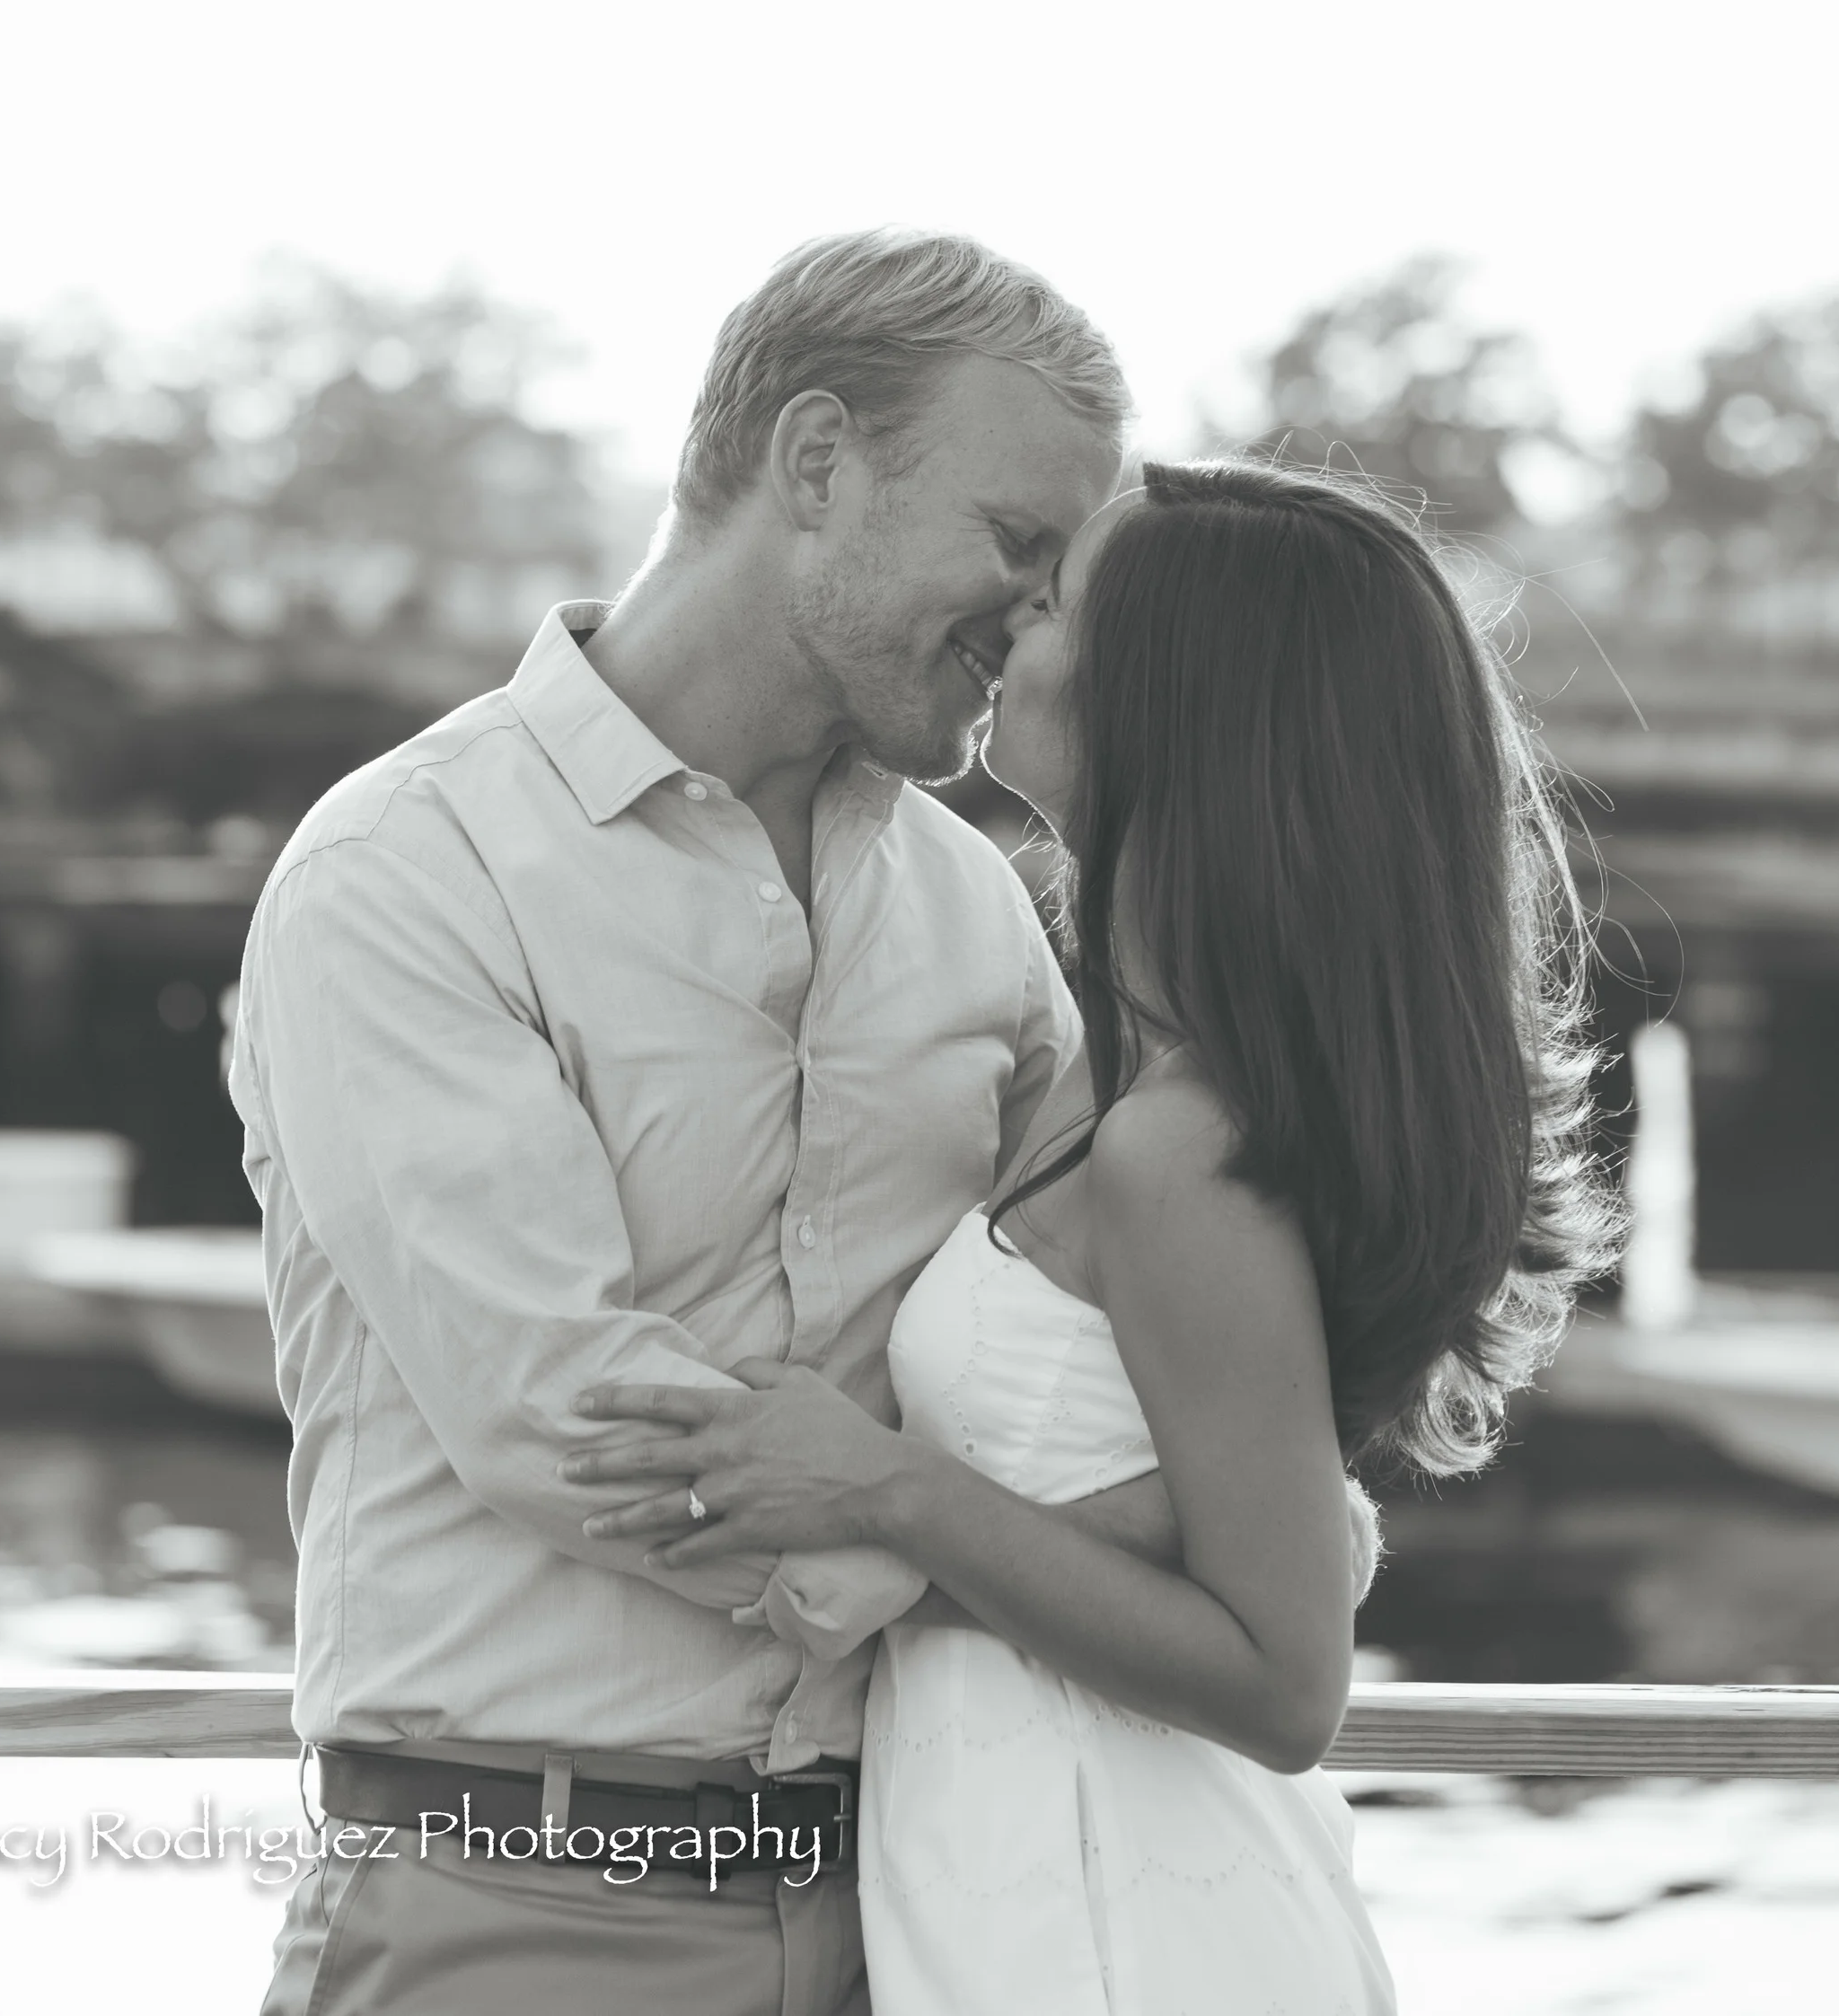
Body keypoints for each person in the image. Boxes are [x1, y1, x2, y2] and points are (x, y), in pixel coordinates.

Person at [233, 228, 1149, 2016]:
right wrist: (1059, 1569)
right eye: (1014, 540)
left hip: (925, 1909)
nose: (1041, 617)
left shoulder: (977, 908)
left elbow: (1101, 1352)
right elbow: (578, 1420)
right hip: (513, 1914)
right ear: (815, 465)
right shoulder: (405, 872)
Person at [568, 458, 1619, 2013]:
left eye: (1055, 600)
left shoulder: (1180, 1145)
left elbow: (1286, 1675)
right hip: (1030, 1870)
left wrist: (885, 1489)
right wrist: (915, 1565)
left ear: (1175, 701)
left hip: (1121, 1918)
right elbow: (1229, 1506)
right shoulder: (1126, 1071)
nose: (1010, 620)